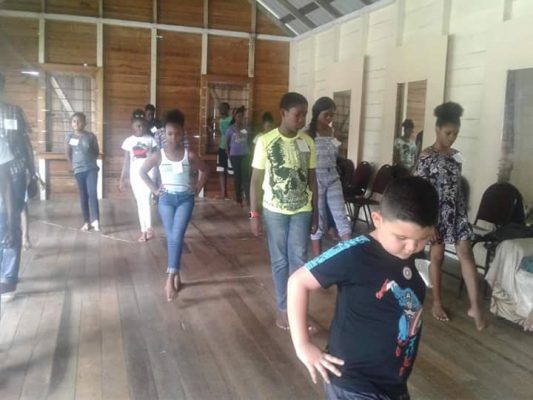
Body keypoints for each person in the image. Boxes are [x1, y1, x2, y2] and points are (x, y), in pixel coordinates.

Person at [287, 177, 439, 400]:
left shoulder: (412, 253)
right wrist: (302, 344)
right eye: (402, 238)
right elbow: (298, 281)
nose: (412, 247)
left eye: (423, 239)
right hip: (354, 381)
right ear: (377, 219)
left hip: (392, 383)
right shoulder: (354, 253)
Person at [250, 92, 318, 330]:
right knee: (280, 260)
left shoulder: (307, 142)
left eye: (304, 115)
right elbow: (255, 181)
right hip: (274, 211)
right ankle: (282, 309)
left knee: (300, 261)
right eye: (297, 115)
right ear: (283, 113)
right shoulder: (265, 141)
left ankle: (298, 312)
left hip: (302, 209)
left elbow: (312, 180)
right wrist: (254, 215)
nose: (301, 120)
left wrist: (316, 212)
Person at [415, 102, 485, 330]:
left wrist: (461, 210)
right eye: (448, 133)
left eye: (456, 133)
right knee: (437, 257)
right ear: (437, 129)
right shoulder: (426, 156)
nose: (452, 138)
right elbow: (421, 191)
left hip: (457, 211)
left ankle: (475, 306)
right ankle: (436, 302)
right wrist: (428, 222)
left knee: (466, 253)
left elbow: (457, 186)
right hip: (436, 215)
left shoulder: (457, 156)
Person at [140, 109, 208, 301]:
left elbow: (206, 170)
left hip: (185, 199)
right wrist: (154, 190)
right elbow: (142, 172)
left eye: (177, 133)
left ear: (182, 134)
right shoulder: (158, 155)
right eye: (169, 133)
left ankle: (170, 278)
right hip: (166, 200)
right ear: (164, 134)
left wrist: (197, 188)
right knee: (173, 236)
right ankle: (176, 272)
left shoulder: (190, 155)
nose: (173, 137)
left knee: (176, 235)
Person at [0, 72, 36, 298]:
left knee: (11, 219)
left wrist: (32, 174)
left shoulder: (14, 111)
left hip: (13, 175)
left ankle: (9, 277)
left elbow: (25, 143)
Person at [307, 97, 351, 257]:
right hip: (316, 178)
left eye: (332, 115)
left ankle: (349, 253)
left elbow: (338, 154)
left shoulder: (332, 132)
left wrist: (338, 139)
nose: (330, 119)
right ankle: (318, 259)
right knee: (319, 218)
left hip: (332, 176)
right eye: (327, 115)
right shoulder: (307, 133)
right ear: (317, 113)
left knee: (341, 215)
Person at [119, 109, 158, 242]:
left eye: (142, 125)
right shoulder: (128, 141)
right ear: (132, 127)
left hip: (148, 175)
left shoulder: (151, 140)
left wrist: (156, 177)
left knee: (146, 201)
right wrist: (122, 178)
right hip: (134, 175)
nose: (140, 128)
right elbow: (126, 161)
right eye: (137, 125)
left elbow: (156, 159)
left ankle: (145, 231)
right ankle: (148, 228)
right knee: (140, 202)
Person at [65, 112, 100, 231]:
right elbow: (68, 153)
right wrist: (72, 165)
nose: (76, 123)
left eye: (79, 121)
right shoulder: (69, 137)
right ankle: (86, 222)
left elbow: (96, 152)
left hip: (91, 169)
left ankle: (96, 220)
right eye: (74, 121)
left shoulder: (91, 136)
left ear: (85, 123)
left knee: (92, 193)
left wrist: (88, 160)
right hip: (78, 170)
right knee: (83, 195)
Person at [225, 106, 250, 206]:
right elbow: (226, 144)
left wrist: (250, 151)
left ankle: (248, 198)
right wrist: (229, 155)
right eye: (238, 116)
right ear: (235, 117)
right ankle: (238, 198)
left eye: (242, 116)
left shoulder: (246, 128)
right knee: (237, 177)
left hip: (245, 155)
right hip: (234, 155)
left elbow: (249, 141)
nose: (240, 118)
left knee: (245, 177)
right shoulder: (230, 129)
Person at [216, 102, 233, 198]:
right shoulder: (220, 120)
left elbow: (232, 133)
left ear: (227, 109)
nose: (220, 110)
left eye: (222, 108)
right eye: (220, 108)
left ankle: (233, 193)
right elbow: (222, 133)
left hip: (230, 148)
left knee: (232, 171)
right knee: (221, 170)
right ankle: (223, 194)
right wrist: (213, 130)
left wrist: (230, 147)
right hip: (222, 147)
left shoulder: (231, 119)